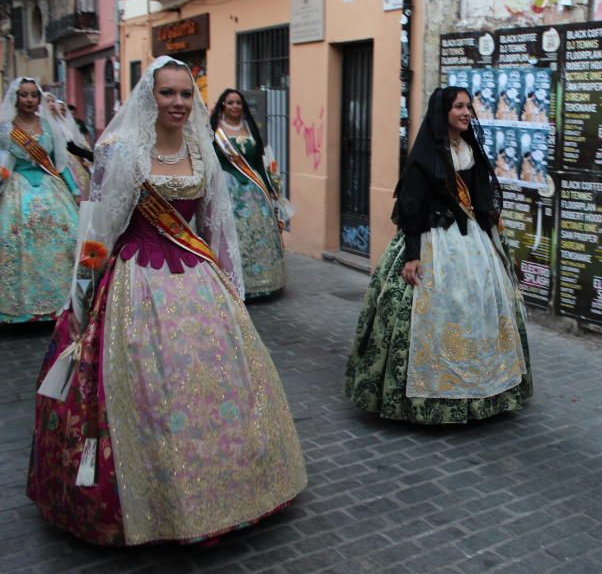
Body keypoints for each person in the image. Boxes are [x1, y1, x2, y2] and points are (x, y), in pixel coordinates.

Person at [26, 57, 306, 546]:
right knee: (149, 388)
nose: (178, 103)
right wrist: (82, 295)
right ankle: (155, 499)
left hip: (197, 280)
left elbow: (218, 225)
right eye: (167, 93)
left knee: (213, 381)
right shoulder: (121, 151)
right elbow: (100, 229)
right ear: (148, 97)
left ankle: (223, 489)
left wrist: (233, 291)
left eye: (185, 94)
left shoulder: (203, 149)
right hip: (137, 282)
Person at [344, 86, 532, 424]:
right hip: (434, 241)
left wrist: (493, 227)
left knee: (481, 305)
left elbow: (480, 195)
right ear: (442, 112)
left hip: (473, 242)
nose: (466, 112)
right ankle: (428, 393)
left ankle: (483, 387)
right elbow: (411, 207)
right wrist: (412, 256)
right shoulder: (425, 155)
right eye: (459, 106)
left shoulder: (469, 148)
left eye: (468, 107)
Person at [0, 78, 79, 323]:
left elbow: (60, 162)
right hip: (16, 189)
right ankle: (19, 308)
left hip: (50, 187)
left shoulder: (49, 125)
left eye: (34, 95)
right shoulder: (6, 129)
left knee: (67, 239)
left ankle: (63, 304)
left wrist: (74, 189)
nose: (29, 100)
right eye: (24, 95)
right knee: (11, 240)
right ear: (16, 98)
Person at [209, 88, 288, 298]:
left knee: (258, 236)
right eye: (230, 102)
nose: (235, 106)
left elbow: (258, 163)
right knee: (233, 237)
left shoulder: (250, 129)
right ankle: (232, 281)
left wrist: (270, 188)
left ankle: (263, 282)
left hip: (254, 191)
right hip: (227, 190)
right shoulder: (215, 131)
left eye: (238, 102)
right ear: (223, 106)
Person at [46, 93, 93, 200]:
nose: (51, 104)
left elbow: (71, 147)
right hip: (47, 167)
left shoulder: (60, 124)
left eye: (52, 101)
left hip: (64, 163)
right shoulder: (40, 124)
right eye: (47, 101)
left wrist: (91, 155)